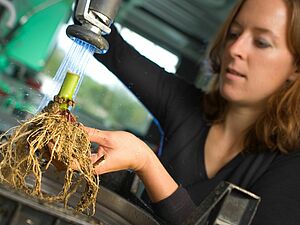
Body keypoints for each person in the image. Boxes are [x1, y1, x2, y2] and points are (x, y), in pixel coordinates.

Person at [84, 0, 300, 224]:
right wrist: (92, 11)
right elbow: (114, 49)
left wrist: (146, 163)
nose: (235, 49)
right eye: (234, 34)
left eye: (261, 42)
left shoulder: (292, 166)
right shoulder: (187, 106)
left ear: (296, 66)